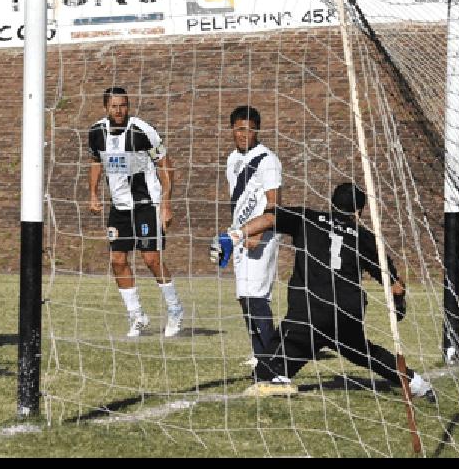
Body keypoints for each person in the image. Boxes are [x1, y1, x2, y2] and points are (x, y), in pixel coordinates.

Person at [212, 182, 434, 399]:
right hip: (347, 312)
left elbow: (270, 218)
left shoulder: (307, 218)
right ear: (358, 211)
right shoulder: (364, 237)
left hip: (310, 311)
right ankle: (418, 384)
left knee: (265, 372)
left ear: (331, 203)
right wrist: (399, 305)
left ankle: (276, 375)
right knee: (366, 353)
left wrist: (235, 235)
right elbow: (395, 285)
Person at [88, 86, 184, 338]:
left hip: (146, 205)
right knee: (117, 260)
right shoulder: (97, 132)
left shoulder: (142, 130)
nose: (119, 110)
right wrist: (93, 192)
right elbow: (96, 161)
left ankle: (175, 310)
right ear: (106, 107)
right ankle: (137, 316)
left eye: (123, 105)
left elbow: (165, 163)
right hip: (119, 207)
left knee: (151, 259)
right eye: (114, 106)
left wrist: (166, 203)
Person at [216, 106, 282, 374]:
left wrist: (260, 232)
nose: (244, 134)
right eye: (240, 128)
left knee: (257, 297)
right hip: (240, 235)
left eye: (250, 129)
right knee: (244, 298)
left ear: (257, 131)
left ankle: (273, 360)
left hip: (261, 235)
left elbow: (275, 203)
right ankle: (260, 354)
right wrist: (232, 234)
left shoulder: (267, 160)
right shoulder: (232, 159)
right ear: (232, 129)